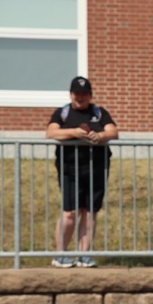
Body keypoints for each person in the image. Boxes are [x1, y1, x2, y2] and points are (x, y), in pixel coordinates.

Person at [46, 76, 118, 267]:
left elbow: (113, 132)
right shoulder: (62, 113)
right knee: (70, 212)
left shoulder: (99, 113)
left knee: (89, 212)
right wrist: (74, 133)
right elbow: (51, 132)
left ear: (90, 95)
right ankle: (60, 254)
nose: (81, 97)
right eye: (77, 94)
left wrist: (99, 136)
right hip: (70, 169)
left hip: (96, 169)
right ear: (71, 95)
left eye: (84, 94)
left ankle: (84, 254)